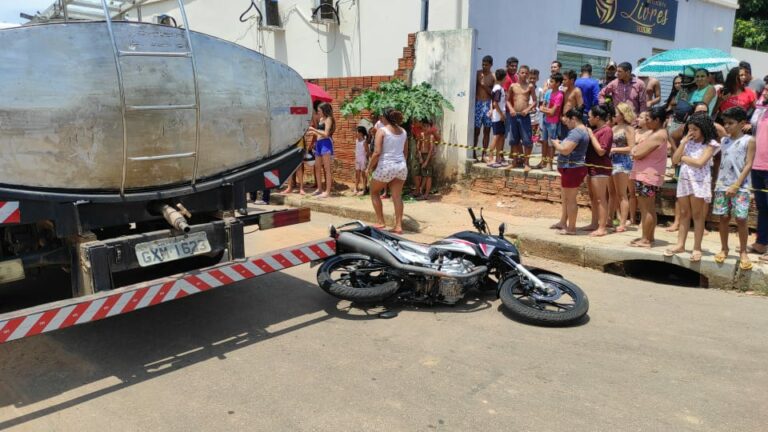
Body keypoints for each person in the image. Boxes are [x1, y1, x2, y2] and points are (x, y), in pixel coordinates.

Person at [665, 113, 719, 261]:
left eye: (695, 129)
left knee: (697, 215)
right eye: (690, 129)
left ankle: (697, 247)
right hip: (684, 180)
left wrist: (684, 158)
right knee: (683, 213)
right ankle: (680, 244)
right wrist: (682, 143)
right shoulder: (687, 142)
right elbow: (675, 160)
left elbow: (700, 162)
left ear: (703, 128)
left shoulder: (710, 143)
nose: (692, 132)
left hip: (700, 182)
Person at [713, 107, 756, 270]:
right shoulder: (724, 141)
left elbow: (748, 164)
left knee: (741, 219)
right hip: (722, 184)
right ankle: (724, 248)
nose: (727, 126)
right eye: (726, 123)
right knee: (723, 217)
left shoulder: (749, 140)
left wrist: (736, 184)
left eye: (731, 123)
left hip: (741, 186)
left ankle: (743, 251)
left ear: (742, 123)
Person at [629, 107, 668, 248]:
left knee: (646, 208)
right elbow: (636, 149)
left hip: (647, 175)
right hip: (646, 174)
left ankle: (646, 239)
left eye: (648, 119)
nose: (646, 122)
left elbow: (638, 153)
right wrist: (635, 150)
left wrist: (635, 150)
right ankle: (648, 237)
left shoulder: (658, 135)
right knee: (648, 208)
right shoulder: (655, 133)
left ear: (657, 120)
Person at [367, 108, 408, 234]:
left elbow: (377, 152)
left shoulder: (382, 131)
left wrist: (369, 168)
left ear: (385, 118)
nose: (380, 119)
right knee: (397, 196)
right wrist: (401, 163)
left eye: (381, 117)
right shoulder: (404, 131)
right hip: (401, 165)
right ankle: (398, 226)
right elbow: (405, 152)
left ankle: (380, 222)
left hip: (386, 166)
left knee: (374, 192)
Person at [550, 107, 590, 235]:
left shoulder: (576, 132)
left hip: (572, 168)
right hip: (570, 168)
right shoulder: (580, 131)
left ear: (573, 119)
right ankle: (563, 222)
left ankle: (571, 228)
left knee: (571, 199)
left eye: (567, 121)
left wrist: (556, 143)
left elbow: (566, 149)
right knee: (566, 198)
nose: (566, 124)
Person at [584, 104, 614, 237]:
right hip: (591, 166)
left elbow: (601, 151)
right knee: (593, 197)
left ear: (597, 117)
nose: (588, 119)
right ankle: (594, 222)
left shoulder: (606, 130)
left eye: (590, 117)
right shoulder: (596, 129)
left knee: (601, 198)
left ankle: (602, 227)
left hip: (601, 167)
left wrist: (591, 135)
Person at [610, 102, 636, 232]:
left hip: (622, 162)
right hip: (612, 161)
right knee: (613, 193)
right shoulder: (614, 128)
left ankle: (623, 222)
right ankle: (616, 218)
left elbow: (631, 148)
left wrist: (615, 149)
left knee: (622, 194)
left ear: (622, 114)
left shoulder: (629, 129)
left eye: (617, 112)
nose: (615, 114)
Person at [748, 88, 768, 260]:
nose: (765, 92)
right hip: (758, 166)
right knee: (762, 207)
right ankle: (761, 242)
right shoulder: (762, 110)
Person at [506, 65, 536, 170]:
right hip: (514, 116)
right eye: (522, 72)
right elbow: (507, 100)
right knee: (514, 140)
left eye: (526, 73)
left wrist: (527, 109)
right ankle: (514, 161)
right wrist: (511, 109)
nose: (524, 75)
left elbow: (535, 101)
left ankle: (526, 163)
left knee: (527, 140)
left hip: (525, 117)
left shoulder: (530, 86)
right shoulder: (513, 86)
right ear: (518, 73)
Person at [307, 102, 335, 198]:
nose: (318, 112)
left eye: (319, 110)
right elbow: (320, 133)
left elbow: (326, 134)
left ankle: (327, 191)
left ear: (324, 110)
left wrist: (314, 130)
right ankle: (319, 189)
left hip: (326, 144)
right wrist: (312, 132)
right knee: (317, 167)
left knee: (327, 169)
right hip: (318, 144)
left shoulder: (328, 119)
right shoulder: (321, 119)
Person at [539, 73, 564, 172]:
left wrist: (545, 109)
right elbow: (542, 106)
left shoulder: (560, 95)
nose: (550, 83)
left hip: (553, 123)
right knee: (544, 141)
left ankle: (549, 164)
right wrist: (546, 110)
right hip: (545, 120)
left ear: (558, 83)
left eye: (552, 81)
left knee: (551, 143)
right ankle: (543, 162)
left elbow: (552, 112)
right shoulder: (548, 92)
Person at [473, 55, 495, 162]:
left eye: (486, 64)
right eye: (483, 64)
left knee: (487, 130)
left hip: (487, 105)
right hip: (477, 104)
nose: (484, 66)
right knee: (476, 131)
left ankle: (483, 155)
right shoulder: (477, 73)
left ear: (491, 65)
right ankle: (473, 153)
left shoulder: (493, 76)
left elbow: (493, 93)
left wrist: (483, 85)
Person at [413, 118, 439, 200]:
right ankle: (420, 191)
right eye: (424, 126)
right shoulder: (421, 135)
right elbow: (418, 146)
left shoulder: (431, 136)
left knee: (428, 176)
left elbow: (431, 150)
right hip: (422, 156)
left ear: (430, 127)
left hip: (428, 156)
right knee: (422, 174)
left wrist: (426, 161)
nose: (425, 128)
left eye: (427, 126)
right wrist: (420, 157)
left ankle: (426, 194)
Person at [488, 68, 507, 167]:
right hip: (498, 116)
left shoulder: (498, 88)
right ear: (504, 78)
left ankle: (498, 158)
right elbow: (495, 103)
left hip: (499, 115)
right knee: (496, 137)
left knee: (500, 136)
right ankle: (490, 158)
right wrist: (502, 115)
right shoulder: (498, 89)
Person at [353, 126, 369, 196]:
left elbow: (367, 151)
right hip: (357, 159)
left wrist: (366, 160)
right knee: (357, 174)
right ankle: (356, 188)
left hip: (363, 159)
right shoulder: (356, 140)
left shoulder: (364, 141)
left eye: (357, 132)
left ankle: (364, 189)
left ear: (361, 133)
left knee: (363, 175)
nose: (356, 133)